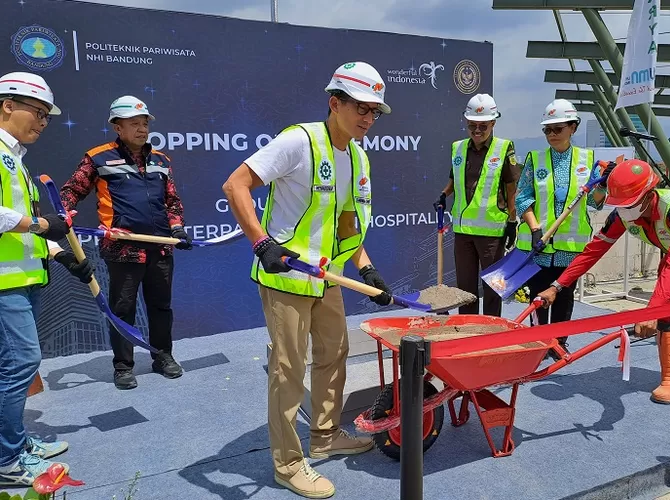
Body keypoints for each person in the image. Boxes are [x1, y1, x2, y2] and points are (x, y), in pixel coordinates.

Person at [222, 61, 391, 499]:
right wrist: (261, 244)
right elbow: (235, 186)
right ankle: (288, 464)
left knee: (335, 354)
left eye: (374, 111)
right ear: (335, 103)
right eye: (361, 107)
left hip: (327, 277)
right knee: (288, 370)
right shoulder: (299, 141)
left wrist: (366, 267)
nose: (368, 118)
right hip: (285, 278)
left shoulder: (357, 154)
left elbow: (348, 223)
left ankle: (325, 436)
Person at [538, 159, 670, 404]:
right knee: (668, 312)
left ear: (649, 196)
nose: (624, 210)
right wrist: (558, 285)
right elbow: (592, 251)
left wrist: (650, 311)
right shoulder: (623, 215)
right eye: (620, 205)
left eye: (630, 203)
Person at [59, 95, 191, 390]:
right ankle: (123, 366)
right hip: (122, 248)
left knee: (161, 306)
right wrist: (64, 211)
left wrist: (178, 229)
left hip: (160, 246)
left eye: (145, 123)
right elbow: (71, 190)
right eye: (135, 123)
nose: (142, 129)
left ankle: (162, 356)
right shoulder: (98, 158)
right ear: (117, 127)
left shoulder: (161, 160)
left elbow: (172, 202)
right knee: (122, 309)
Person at [0, 72, 93, 486]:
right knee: (19, 364)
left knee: (15, 365)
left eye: (46, 117)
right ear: (7, 105)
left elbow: (23, 230)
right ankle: (7, 460)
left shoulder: (14, 158)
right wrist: (41, 225)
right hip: (4, 284)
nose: (42, 122)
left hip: (22, 277)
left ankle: (15, 444)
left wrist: (60, 254)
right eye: (37, 112)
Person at [514, 99, 608, 359]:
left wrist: (602, 186)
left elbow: (593, 202)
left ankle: (559, 341)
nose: (552, 134)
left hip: (570, 246)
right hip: (540, 244)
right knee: (538, 294)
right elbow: (522, 198)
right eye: (547, 130)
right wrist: (534, 230)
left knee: (564, 295)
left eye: (558, 128)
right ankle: (538, 340)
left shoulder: (588, 160)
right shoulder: (535, 159)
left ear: (573, 128)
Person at [434, 93, 520, 317]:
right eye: (472, 125)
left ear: (493, 123)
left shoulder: (504, 148)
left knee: (493, 288)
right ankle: (468, 329)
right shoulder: (458, 148)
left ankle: (490, 333)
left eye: (483, 125)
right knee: (465, 289)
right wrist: (444, 194)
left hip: (491, 233)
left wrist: (513, 220)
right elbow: (455, 180)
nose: (477, 130)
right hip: (463, 232)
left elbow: (512, 188)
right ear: (466, 122)